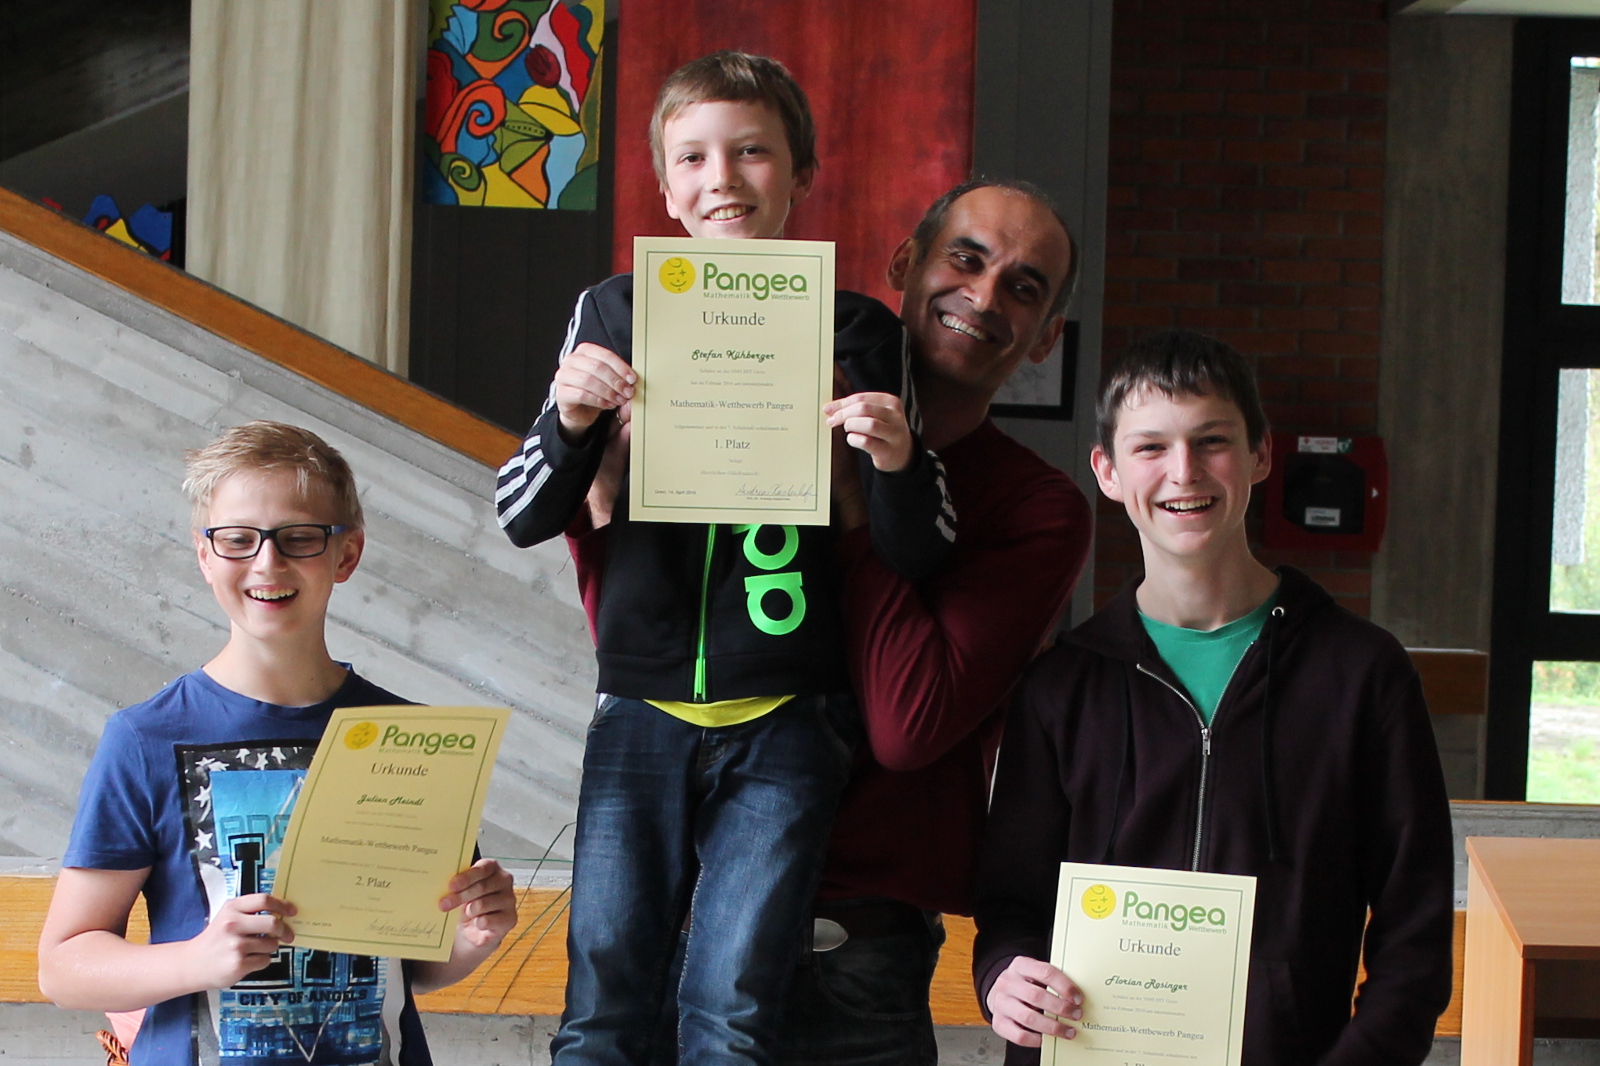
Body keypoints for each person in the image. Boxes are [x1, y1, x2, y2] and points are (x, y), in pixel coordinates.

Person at [494, 52, 954, 1065]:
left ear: (801, 175)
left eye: (753, 152)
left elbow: (923, 549)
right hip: (640, 705)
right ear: (665, 187)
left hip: (791, 713)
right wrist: (573, 420)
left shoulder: (858, 329)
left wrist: (891, 456)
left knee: (734, 1005)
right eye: (693, 157)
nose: (723, 178)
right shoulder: (613, 312)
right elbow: (520, 513)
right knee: (602, 1000)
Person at [973, 330, 1455, 1065]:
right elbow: (1011, 907)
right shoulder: (1061, 687)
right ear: (1107, 471)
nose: (1184, 471)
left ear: (1261, 454)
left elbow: (1414, 933)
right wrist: (1002, 977)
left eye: (1212, 441)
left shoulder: (1362, 674)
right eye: (1151, 447)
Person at [37, 421, 518, 1066]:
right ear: (205, 554)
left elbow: (415, 967)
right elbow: (63, 967)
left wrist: (475, 934)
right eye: (239, 539)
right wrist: (198, 959)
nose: (268, 562)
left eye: (299, 538)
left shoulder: (415, 741)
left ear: (346, 554)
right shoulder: (146, 738)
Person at [775, 179, 1093, 1065]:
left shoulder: (1036, 509)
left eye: (1023, 288)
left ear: (1046, 337)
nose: (985, 298)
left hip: (856, 955)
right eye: (967, 258)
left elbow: (908, 724)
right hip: (688, 913)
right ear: (905, 264)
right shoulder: (768, 426)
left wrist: (860, 499)